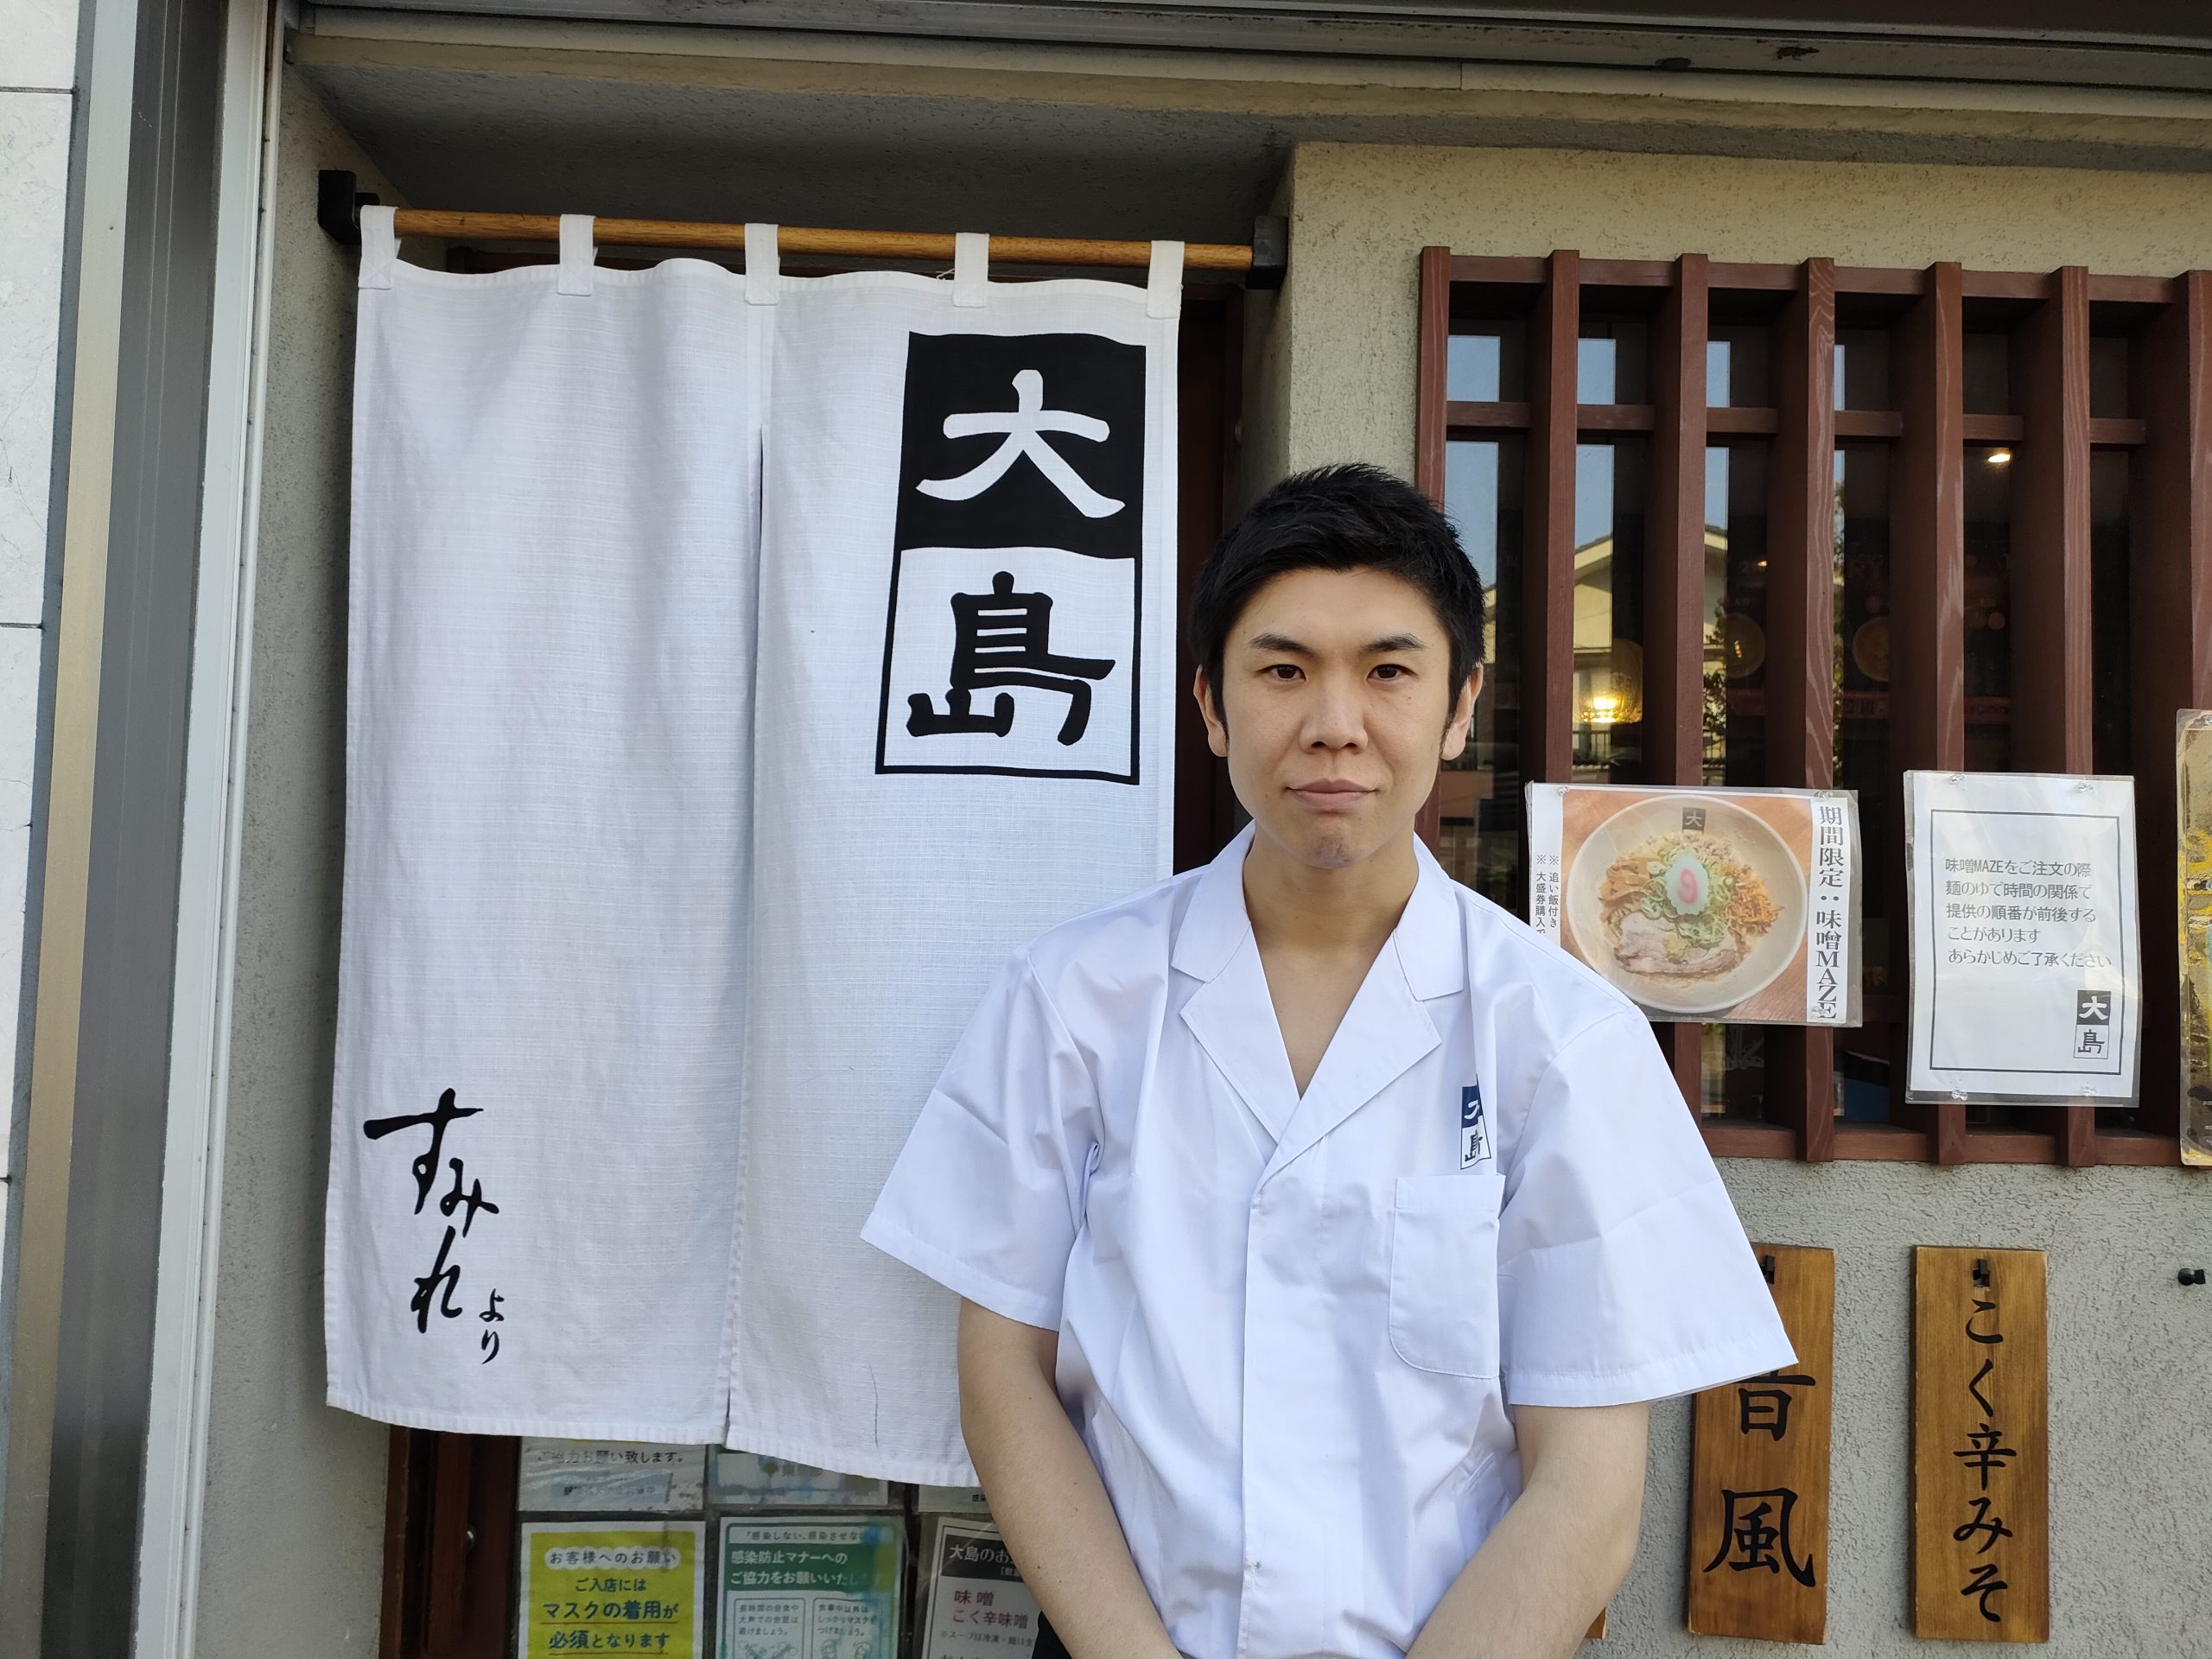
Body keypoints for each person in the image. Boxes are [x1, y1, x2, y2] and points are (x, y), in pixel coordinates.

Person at [862, 463, 1794, 1659]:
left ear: (1461, 707)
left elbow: (1590, 1482)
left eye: (1389, 672)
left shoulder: (1560, 1038)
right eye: (1284, 670)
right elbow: (1003, 1374)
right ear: (1211, 704)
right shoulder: (1073, 1001)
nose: (1335, 723)